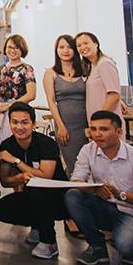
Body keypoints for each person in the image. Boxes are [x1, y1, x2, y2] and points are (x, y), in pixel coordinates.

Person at [66, 111, 133, 265]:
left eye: (104, 129)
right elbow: (76, 180)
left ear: (119, 132)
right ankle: (97, 247)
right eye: (93, 129)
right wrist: (94, 190)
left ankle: (129, 243)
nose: (97, 134)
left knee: (127, 251)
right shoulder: (87, 150)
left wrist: (120, 195)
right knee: (73, 195)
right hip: (104, 206)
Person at [0, 102, 69, 259]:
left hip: (58, 197)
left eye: (25, 122)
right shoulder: (7, 145)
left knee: (37, 190)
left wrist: (16, 161)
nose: (19, 127)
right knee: (0, 208)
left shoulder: (46, 144)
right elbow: (5, 181)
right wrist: (20, 177)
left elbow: (45, 176)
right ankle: (38, 226)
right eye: (14, 122)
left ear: (33, 124)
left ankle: (49, 242)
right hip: (31, 195)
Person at [43, 34, 88, 174]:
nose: (65, 50)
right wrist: (61, 126)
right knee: (74, 165)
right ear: (56, 50)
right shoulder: (51, 73)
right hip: (66, 125)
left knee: (92, 163)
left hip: (88, 122)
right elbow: (51, 101)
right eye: (61, 47)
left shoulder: (85, 69)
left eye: (69, 47)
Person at [0, 34, 36, 142]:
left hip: (19, 112)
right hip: (1, 113)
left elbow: (31, 95)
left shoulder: (27, 69)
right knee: (1, 143)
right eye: (9, 47)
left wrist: (9, 105)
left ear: (22, 49)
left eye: (16, 48)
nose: (12, 50)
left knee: (16, 142)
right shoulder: (2, 68)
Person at [76, 32, 123, 126]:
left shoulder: (104, 63)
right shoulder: (92, 67)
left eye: (86, 43)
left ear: (96, 44)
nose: (83, 47)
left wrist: (99, 120)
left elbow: (114, 95)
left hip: (106, 123)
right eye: (79, 45)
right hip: (97, 123)